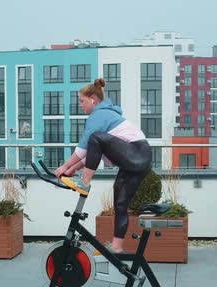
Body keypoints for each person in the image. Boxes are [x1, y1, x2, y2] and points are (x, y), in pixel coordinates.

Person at [54, 78, 152, 254]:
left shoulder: (98, 115)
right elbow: (92, 154)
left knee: (95, 137)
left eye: (82, 101)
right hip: (140, 160)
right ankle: (117, 247)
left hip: (136, 153)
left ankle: (84, 183)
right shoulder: (107, 115)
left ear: (93, 99)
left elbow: (84, 146)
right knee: (120, 205)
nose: (81, 105)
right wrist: (69, 171)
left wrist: (63, 166)